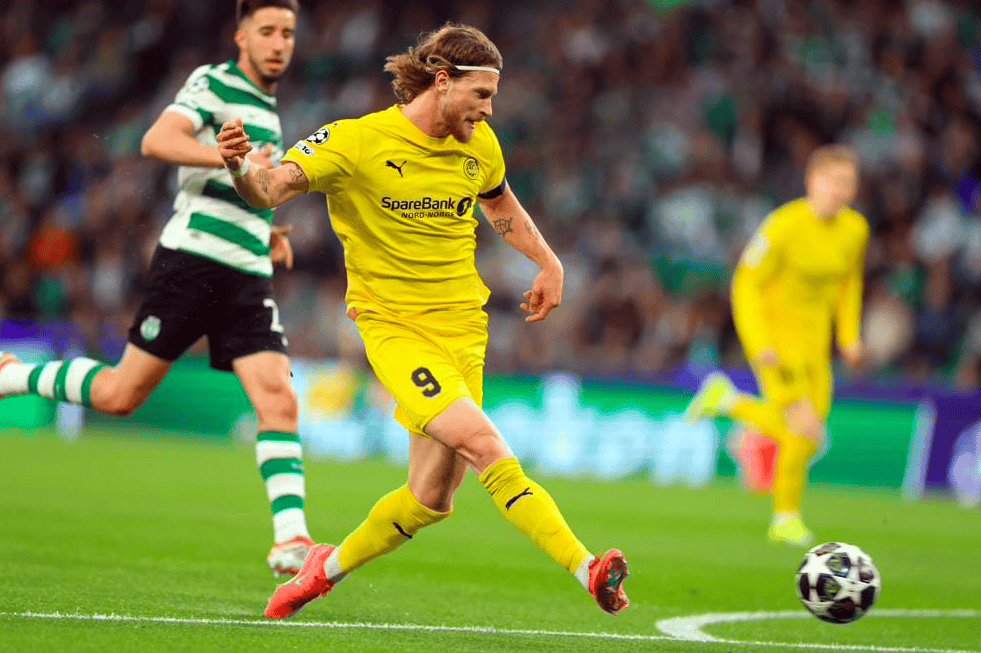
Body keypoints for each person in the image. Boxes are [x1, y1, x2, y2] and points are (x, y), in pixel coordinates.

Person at [216, 24, 630, 619]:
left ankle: (322, 570)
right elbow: (269, 188)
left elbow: (499, 202)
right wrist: (238, 168)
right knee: (484, 443)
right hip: (396, 329)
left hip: (463, 329)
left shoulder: (479, 144)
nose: (489, 110)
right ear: (441, 82)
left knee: (430, 498)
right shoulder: (355, 141)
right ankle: (586, 568)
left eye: (492, 96)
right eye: (481, 95)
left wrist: (548, 262)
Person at [0, 0, 315, 575]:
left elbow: (245, 183)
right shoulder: (214, 82)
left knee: (278, 399)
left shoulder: (268, 105)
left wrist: (265, 230)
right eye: (267, 31)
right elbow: (157, 140)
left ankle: (290, 540)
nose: (278, 43)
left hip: (247, 271)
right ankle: (15, 375)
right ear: (240, 36)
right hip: (192, 262)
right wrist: (222, 157)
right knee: (120, 395)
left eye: (288, 33)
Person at [685, 144, 869, 546]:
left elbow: (849, 281)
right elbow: (746, 282)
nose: (839, 190)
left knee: (807, 435)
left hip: (816, 344)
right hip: (777, 340)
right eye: (832, 180)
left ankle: (726, 401)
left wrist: (849, 335)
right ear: (811, 181)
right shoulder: (783, 225)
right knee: (803, 428)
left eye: (847, 183)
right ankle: (785, 518)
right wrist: (758, 341)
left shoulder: (855, 230)